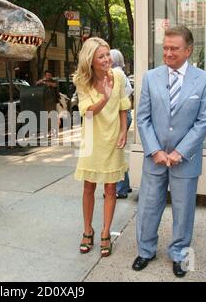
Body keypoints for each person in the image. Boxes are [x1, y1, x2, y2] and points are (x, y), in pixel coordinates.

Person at [133, 25, 206, 277]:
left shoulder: (205, 80)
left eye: (174, 49)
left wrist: (180, 152)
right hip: (154, 158)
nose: (167, 53)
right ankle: (145, 251)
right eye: (165, 48)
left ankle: (179, 254)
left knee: (183, 208)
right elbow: (143, 117)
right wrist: (155, 150)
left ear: (188, 50)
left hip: (186, 160)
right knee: (148, 205)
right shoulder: (150, 77)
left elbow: (204, 120)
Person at [73, 37, 131, 257]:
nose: (107, 59)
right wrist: (105, 97)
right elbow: (86, 112)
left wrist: (124, 130)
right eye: (102, 56)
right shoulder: (82, 81)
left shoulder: (117, 76)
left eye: (108, 54)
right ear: (91, 60)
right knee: (89, 186)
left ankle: (106, 232)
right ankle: (88, 230)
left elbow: (124, 106)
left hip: (113, 137)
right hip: (92, 139)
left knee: (110, 189)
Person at [110, 49, 134, 199]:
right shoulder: (121, 74)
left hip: (120, 115)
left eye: (107, 56)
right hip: (124, 114)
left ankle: (121, 189)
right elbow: (130, 91)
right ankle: (125, 186)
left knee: (115, 155)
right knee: (117, 152)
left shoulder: (115, 74)